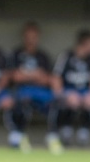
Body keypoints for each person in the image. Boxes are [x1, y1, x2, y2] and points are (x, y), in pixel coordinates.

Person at [5, 21, 57, 153]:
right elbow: (15, 77)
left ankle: (52, 136)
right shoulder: (16, 54)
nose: (31, 39)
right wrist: (35, 75)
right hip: (22, 90)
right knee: (21, 101)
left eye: (34, 36)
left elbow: (48, 79)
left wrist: (27, 74)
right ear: (24, 36)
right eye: (28, 36)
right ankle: (20, 135)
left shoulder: (43, 56)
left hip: (41, 91)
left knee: (56, 101)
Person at [51, 29, 90, 148]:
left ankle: (84, 131)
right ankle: (66, 128)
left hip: (84, 91)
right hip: (69, 90)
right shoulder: (67, 56)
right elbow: (56, 77)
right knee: (72, 99)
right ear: (85, 42)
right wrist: (60, 94)